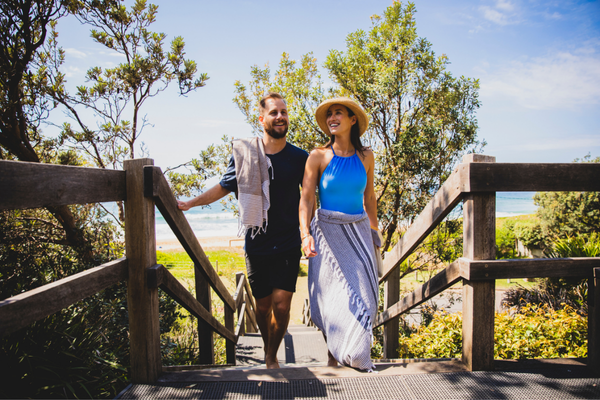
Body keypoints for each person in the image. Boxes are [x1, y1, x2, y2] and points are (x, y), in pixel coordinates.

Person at [178, 92, 308, 369]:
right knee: (262, 307)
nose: (280, 117)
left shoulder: (300, 158)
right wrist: (192, 202)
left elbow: (311, 196)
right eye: (274, 112)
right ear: (261, 119)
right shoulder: (245, 155)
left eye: (283, 112)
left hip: (287, 240)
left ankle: (271, 356)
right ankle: (266, 343)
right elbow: (224, 187)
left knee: (282, 305)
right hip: (257, 241)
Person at [299, 97, 380, 371]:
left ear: (352, 119)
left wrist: (375, 232)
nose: (333, 118)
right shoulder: (318, 156)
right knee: (330, 299)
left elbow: (369, 198)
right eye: (330, 115)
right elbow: (307, 199)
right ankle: (333, 358)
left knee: (364, 296)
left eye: (339, 113)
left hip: (358, 233)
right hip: (326, 235)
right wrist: (305, 234)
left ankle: (357, 353)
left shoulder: (366, 156)